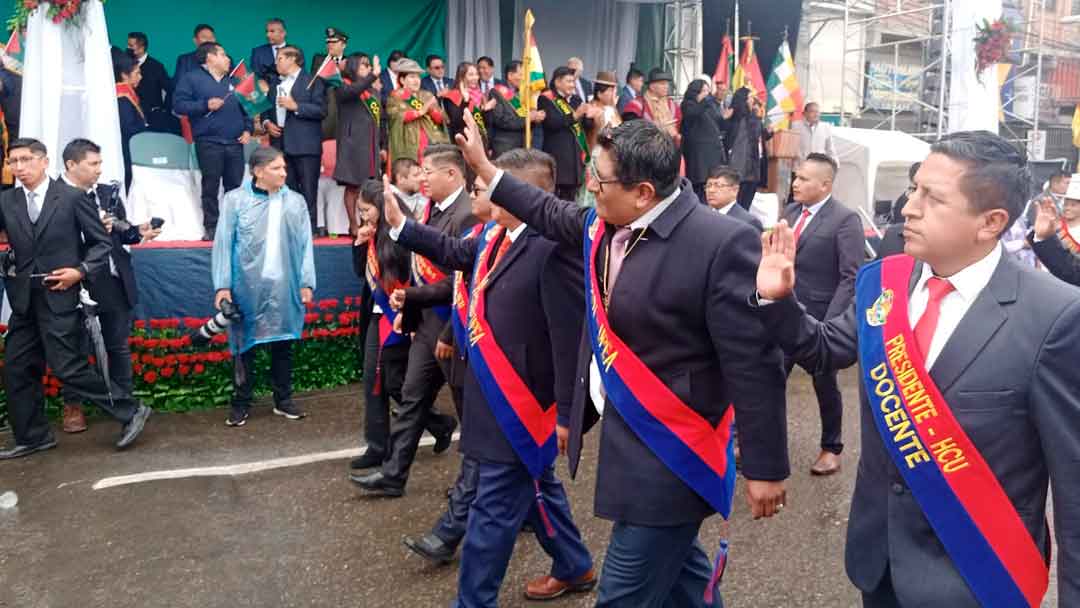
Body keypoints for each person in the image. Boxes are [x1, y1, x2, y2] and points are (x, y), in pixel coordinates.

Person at [455, 112, 789, 607]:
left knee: (622, 594)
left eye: (600, 180)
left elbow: (753, 362)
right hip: (628, 435)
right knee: (683, 580)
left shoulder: (717, 243)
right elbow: (545, 210)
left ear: (644, 192)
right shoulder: (604, 221)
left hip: (675, 450)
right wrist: (485, 167)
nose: (589, 187)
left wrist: (765, 466)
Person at [755, 130, 1080, 607]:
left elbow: (1073, 488)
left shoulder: (1056, 316)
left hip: (979, 575)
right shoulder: (882, 281)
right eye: (914, 189)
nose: (908, 207)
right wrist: (777, 300)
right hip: (878, 563)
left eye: (932, 198)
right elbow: (824, 351)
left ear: (990, 222)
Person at [383, 147, 596, 604]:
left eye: (492, 182)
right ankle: (575, 565)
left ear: (525, 193)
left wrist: (566, 411)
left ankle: (472, 601)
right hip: (489, 398)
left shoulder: (554, 249)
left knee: (492, 512)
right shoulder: (492, 236)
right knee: (538, 487)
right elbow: (452, 251)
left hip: (524, 406)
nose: (482, 189)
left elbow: (567, 337)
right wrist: (401, 225)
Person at [0, 138, 152, 459]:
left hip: (61, 296)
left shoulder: (71, 198)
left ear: (44, 162)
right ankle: (33, 436)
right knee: (16, 367)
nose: (19, 167)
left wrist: (79, 271)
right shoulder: (7, 202)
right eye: (13, 161)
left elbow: (101, 244)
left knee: (67, 367)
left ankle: (130, 409)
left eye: (26, 159)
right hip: (24, 299)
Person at [351, 144, 473, 497]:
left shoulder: (468, 215)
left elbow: (462, 282)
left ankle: (476, 488)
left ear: (452, 174)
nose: (422, 178)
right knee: (411, 399)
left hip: (453, 327)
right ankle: (393, 475)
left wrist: (445, 326)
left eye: (428, 172)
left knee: (471, 415)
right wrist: (412, 305)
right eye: (419, 171)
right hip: (426, 326)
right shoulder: (432, 211)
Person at [400, 164, 496, 565]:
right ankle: (572, 561)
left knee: (484, 453)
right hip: (475, 356)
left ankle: (448, 533)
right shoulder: (480, 236)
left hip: (506, 374)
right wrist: (396, 224)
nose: (474, 198)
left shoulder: (522, 245)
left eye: (480, 189)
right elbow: (455, 274)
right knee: (523, 477)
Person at [57, 139, 161, 434]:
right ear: (71, 165)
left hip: (113, 279)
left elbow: (121, 234)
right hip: (78, 280)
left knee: (118, 345)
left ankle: (126, 403)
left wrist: (139, 231)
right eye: (93, 164)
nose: (99, 170)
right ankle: (72, 406)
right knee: (75, 348)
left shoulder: (107, 193)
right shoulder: (57, 196)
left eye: (100, 163)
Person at [213, 147, 315, 427]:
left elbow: (306, 245)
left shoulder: (295, 202)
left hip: (285, 284)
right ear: (258, 171)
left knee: (283, 343)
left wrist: (306, 282)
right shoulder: (235, 201)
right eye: (277, 168)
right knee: (243, 345)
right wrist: (222, 286)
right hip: (246, 284)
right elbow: (223, 242)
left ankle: (283, 400)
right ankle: (241, 402)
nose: (284, 172)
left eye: (284, 168)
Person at [781, 153, 863, 475]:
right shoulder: (789, 212)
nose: (795, 183)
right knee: (770, 379)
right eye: (795, 177)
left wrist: (830, 325)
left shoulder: (845, 219)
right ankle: (760, 442)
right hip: (783, 314)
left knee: (824, 384)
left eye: (803, 179)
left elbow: (851, 275)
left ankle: (831, 447)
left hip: (819, 321)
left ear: (825, 184)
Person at [349, 179, 416, 469]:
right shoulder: (370, 232)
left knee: (395, 383)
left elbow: (409, 272)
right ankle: (377, 445)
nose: (363, 216)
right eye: (360, 212)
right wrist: (360, 244)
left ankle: (437, 423)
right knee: (372, 380)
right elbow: (358, 273)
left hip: (401, 314)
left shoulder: (400, 231)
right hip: (377, 315)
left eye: (366, 210)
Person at [173, 41, 252, 240]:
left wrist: (248, 129)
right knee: (210, 186)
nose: (228, 59)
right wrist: (204, 105)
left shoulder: (233, 81)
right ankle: (212, 227)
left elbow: (247, 109)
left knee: (235, 187)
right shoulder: (191, 78)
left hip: (235, 142)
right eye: (223, 55)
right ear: (210, 57)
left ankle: (234, 225)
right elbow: (179, 105)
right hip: (208, 141)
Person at [260, 45, 326, 234]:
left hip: (305, 145)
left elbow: (322, 111)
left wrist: (295, 106)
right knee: (284, 189)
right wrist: (266, 123)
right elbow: (266, 108)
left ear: (292, 59)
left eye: (280, 58)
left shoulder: (313, 81)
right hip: (280, 144)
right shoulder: (275, 83)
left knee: (307, 190)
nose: (276, 62)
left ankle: (309, 229)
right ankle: (288, 228)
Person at [334, 52, 382, 237]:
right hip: (352, 144)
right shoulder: (343, 86)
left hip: (371, 145)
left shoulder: (372, 90)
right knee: (353, 186)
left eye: (369, 65)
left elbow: (380, 119)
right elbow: (354, 90)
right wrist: (373, 76)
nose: (368, 68)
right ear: (353, 67)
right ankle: (353, 224)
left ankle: (366, 222)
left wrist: (382, 145)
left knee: (368, 187)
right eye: (363, 65)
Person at [539, 66, 593, 201]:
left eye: (573, 81)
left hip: (575, 162)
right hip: (559, 160)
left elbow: (585, 126)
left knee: (572, 202)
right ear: (558, 82)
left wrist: (589, 116)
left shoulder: (576, 99)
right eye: (569, 81)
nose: (572, 85)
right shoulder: (546, 99)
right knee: (556, 201)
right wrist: (574, 116)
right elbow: (551, 123)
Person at [387, 58, 447, 165]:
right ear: (402, 80)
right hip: (408, 143)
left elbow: (440, 120)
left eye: (418, 77)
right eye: (412, 77)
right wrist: (422, 110)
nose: (417, 80)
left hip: (431, 140)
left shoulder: (426, 95)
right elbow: (398, 117)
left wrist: (432, 110)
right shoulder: (396, 96)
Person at [681, 78, 728, 204]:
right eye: (704, 91)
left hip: (711, 155)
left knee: (710, 188)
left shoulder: (708, 106)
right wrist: (706, 101)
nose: (707, 94)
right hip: (698, 157)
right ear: (695, 92)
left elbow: (719, 121)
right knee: (699, 190)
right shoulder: (688, 104)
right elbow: (693, 114)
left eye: (708, 91)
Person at [725, 87, 771, 211]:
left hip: (748, 168)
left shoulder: (746, 119)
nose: (753, 100)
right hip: (744, 168)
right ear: (744, 100)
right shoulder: (744, 120)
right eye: (750, 97)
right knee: (741, 205)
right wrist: (758, 116)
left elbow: (760, 135)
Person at [488, 60, 545, 158]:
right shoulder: (497, 92)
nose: (525, 78)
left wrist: (535, 118)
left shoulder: (524, 95)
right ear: (510, 75)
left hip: (523, 146)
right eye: (522, 74)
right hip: (505, 147)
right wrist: (528, 119)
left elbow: (527, 121)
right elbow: (501, 121)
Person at [1029, 176, 1080, 285]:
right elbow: (1072, 271)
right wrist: (1044, 237)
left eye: (1073, 205)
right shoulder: (1055, 223)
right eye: (1066, 204)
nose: (1068, 208)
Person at [114, 53, 149, 193]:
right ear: (124, 75)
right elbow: (128, 127)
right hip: (127, 149)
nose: (140, 77)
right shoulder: (122, 98)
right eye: (137, 73)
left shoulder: (128, 94)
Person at [126, 32, 173, 135]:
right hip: (131, 116)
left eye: (131, 46)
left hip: (153, 118)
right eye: (127, 45)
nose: (127, 48)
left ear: (141, 48)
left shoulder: (156, 66)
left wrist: (163, 110)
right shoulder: (124, 64)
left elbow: (170, 89)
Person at [441, 62, 495, 145]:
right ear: (461, 77)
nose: (475, 78)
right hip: (463, 143)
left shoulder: (481, 95)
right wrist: (465, 100)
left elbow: (487, 124)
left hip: (482, 141)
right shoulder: (453, 95)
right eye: (471, 75)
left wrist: (487, 110)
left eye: (477, 74)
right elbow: (456, 122)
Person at [310, 27, 349, 142]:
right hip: (324, 113)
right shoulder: (319, 60)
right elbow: (314, 84)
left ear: (343, 45)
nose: (330, 44)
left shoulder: (350, 62)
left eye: (334, 42)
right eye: (328, 42)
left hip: (344, 113)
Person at [704, 166, 762, 231]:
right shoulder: (702, 217)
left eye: (718, 186)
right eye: (708, 186)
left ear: (735, 190)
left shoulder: (748, 222)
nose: (711, 190)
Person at [250, 17, 287, 92]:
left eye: (272, 31)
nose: (268, 35)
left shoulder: (295, 52)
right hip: (266, 97)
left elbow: (298, 77)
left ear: (283, 33)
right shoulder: (258, 52)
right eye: (267, 31)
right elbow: (255, 76)